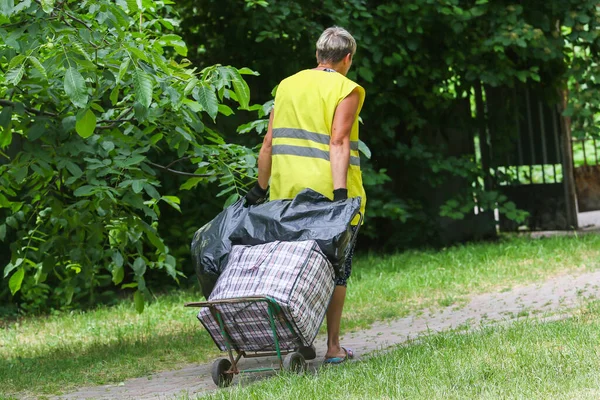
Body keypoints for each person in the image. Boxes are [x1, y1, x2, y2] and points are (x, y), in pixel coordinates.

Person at [245, 26, 367, 364]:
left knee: (292, 267)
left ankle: (296, 341)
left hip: (285, 195)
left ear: (317, 56)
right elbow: (339, 142)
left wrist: (259, 188)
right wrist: (341, 198)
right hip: (326, 195)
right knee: (336, 268)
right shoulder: (347, 88)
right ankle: (332, 347)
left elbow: (268, 142)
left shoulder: (286, 85)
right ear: (347, 58)